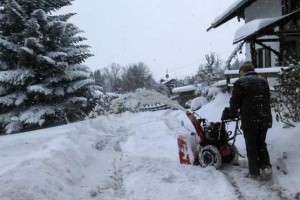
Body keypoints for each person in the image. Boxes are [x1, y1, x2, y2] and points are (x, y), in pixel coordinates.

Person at [229, 61, 273, 179]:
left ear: (243, 71)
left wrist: (232, 113)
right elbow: (267, 99)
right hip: (265, 118)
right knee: (261, 143)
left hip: (250, 120)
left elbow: (234, 102)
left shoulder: (240, 82)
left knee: (251, 145)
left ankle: (254, 172)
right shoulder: (263, 81)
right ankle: (266, 166)